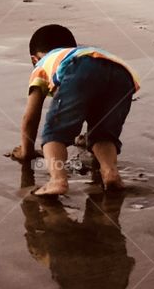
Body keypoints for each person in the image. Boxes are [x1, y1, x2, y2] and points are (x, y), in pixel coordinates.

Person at [9, 24, 139, 195]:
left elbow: (30, 117)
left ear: (34, 59)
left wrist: (26, 152)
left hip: (80, 68)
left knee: (55, 132)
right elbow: (89, 99)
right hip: (123, 73)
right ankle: (110, 173)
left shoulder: (42, 65)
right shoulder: (82, 53)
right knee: (103, 134)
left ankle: (58, 180)